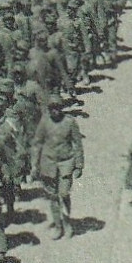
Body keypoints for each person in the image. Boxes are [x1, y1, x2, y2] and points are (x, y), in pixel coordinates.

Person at [31, 97, 85, 240]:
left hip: (66, 163)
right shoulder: (44, 122)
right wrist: (34, 164)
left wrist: (79, 165)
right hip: (48, 164)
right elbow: (37, 144)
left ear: (62, 108)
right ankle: (58, 225)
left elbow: (78, 144)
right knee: (53, 196)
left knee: (64, 194)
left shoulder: (70, 122)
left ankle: (67, 224)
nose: (55, 111)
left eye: (57, 108)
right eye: (51, 109)